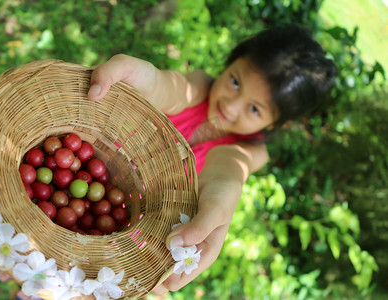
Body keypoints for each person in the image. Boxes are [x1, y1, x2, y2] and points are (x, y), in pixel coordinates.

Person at [87, 24, 337, 295]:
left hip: (133, 223)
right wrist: (148, 79)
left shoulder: (248, 149)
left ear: (276, 124)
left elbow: (228, 168)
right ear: (230, 63)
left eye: (254, 108)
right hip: (94, 165)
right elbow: (168, 87)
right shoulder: (200, 87)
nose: (230, 105)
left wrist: (224, 191)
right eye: (235, 82)